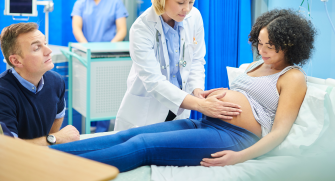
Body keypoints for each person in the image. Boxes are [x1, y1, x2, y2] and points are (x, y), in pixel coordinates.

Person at [51, 9, 317, 171]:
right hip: (205, 122)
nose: (262, 50)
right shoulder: (256, 64)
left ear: (290, 45)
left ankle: (57, 170)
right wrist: (208, 95)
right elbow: (245, 96)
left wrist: (240, 157)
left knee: (143, 146)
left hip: (237, 137)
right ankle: (44, 157)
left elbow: (280, 130)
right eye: (259, 42)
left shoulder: (292, 77)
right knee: (129, 135)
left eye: (270, 45)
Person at [114, 0, 241, 131]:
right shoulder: (142, 28)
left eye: (191, 1)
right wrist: (200, 105)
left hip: (179, 110)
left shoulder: (194, 17)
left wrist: (197, 90)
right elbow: (153, 81)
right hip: (146, 113)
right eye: (181, 2)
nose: (187, 9)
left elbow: (196, 60)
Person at [0, 23, 80, 146]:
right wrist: (54, 139)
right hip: (17, 162)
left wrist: (50, 144)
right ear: (16, 60)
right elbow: (9, 148)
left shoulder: (56, 82)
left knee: (120, 137)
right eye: (37, 48)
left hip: (44, 156)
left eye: (45, 43)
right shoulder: (3, 93)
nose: (49, 51)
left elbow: (58, 117)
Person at [72, 0, 129, 132]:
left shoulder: (115, 2)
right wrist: (87, 47)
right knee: (87, 94)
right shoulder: (80, 4)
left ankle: (103, 130)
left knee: (106, 94)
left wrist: (106, 48)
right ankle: (88, 129)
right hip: (86, 56)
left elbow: (122, 30)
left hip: (109, 57)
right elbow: (77, 28)